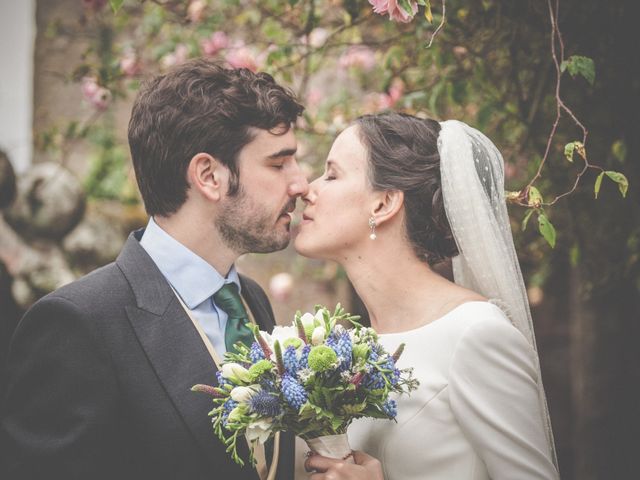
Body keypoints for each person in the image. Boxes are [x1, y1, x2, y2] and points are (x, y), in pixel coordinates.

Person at [1, 59, 308, 479]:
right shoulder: (78, 323)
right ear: (208, 176)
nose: (301, 184)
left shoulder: (250, 300)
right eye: (278, 163)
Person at [296, 113, 559, 479]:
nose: (307, 188)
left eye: (332, 174)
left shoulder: (476, 335)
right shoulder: (351, 348)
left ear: (383, 204)